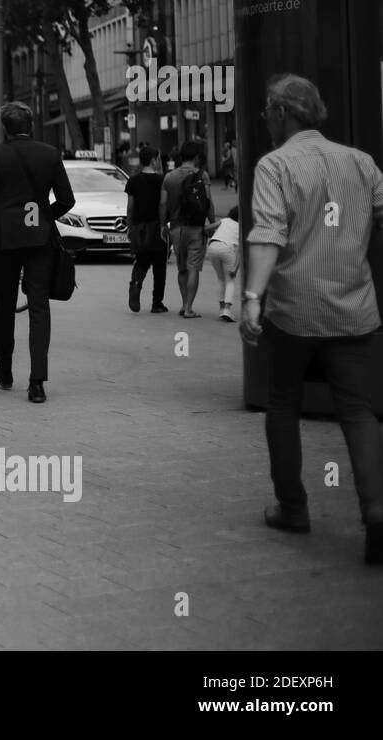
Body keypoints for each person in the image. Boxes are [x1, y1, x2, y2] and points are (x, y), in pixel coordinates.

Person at [240, 74, 383, 565]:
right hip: (354, 308)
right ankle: (377, 513)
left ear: (282, 114)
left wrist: (253, 296)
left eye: (267, 114)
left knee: (283, 405)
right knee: (359, 412)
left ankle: (293, 507)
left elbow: (267, 233)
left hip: (292, 310)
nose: (267, 123)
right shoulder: (361, 162)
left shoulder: (275, 165)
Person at [0, 101, 75, 405]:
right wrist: (46, 216)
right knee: (38, 307)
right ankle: (37, 382)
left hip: (4, 242)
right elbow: (67, 200)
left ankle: (4, 370)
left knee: (3, 306)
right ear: (31, 125)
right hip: (39, 240)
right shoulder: (49, 153)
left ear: (4, 128)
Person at [160, 139, 215, 318]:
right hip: (196, 229)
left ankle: (183, 304)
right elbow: (208, 201)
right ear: (197, 157)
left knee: (182, 269)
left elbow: (162, 203)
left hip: (176, 228)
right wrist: (212, 223)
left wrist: (162, 224)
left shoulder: (169, 177)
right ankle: (189, 308)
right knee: (193, 269)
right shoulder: (202, 175)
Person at [125, 144, 170, 314]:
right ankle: (157, 303)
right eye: (158, 158)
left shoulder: (133, 180)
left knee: (141, 261)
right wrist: (163, 224)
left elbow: (130, 206)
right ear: (153, 160)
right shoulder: (162, 180)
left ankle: (135, 284)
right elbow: (163, 203)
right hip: (157, 226)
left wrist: (130, 227)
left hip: (139, 227)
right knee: (160, 266)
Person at [205, 206, 241, 322]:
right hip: (227, 248)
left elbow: (208, 228)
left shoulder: (224, 221)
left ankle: (221, 309)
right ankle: (227, 309)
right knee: (230, 280)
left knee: (220, 279)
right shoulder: (242, 227)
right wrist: (235, 268)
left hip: (213, 246)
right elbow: (241, 250)